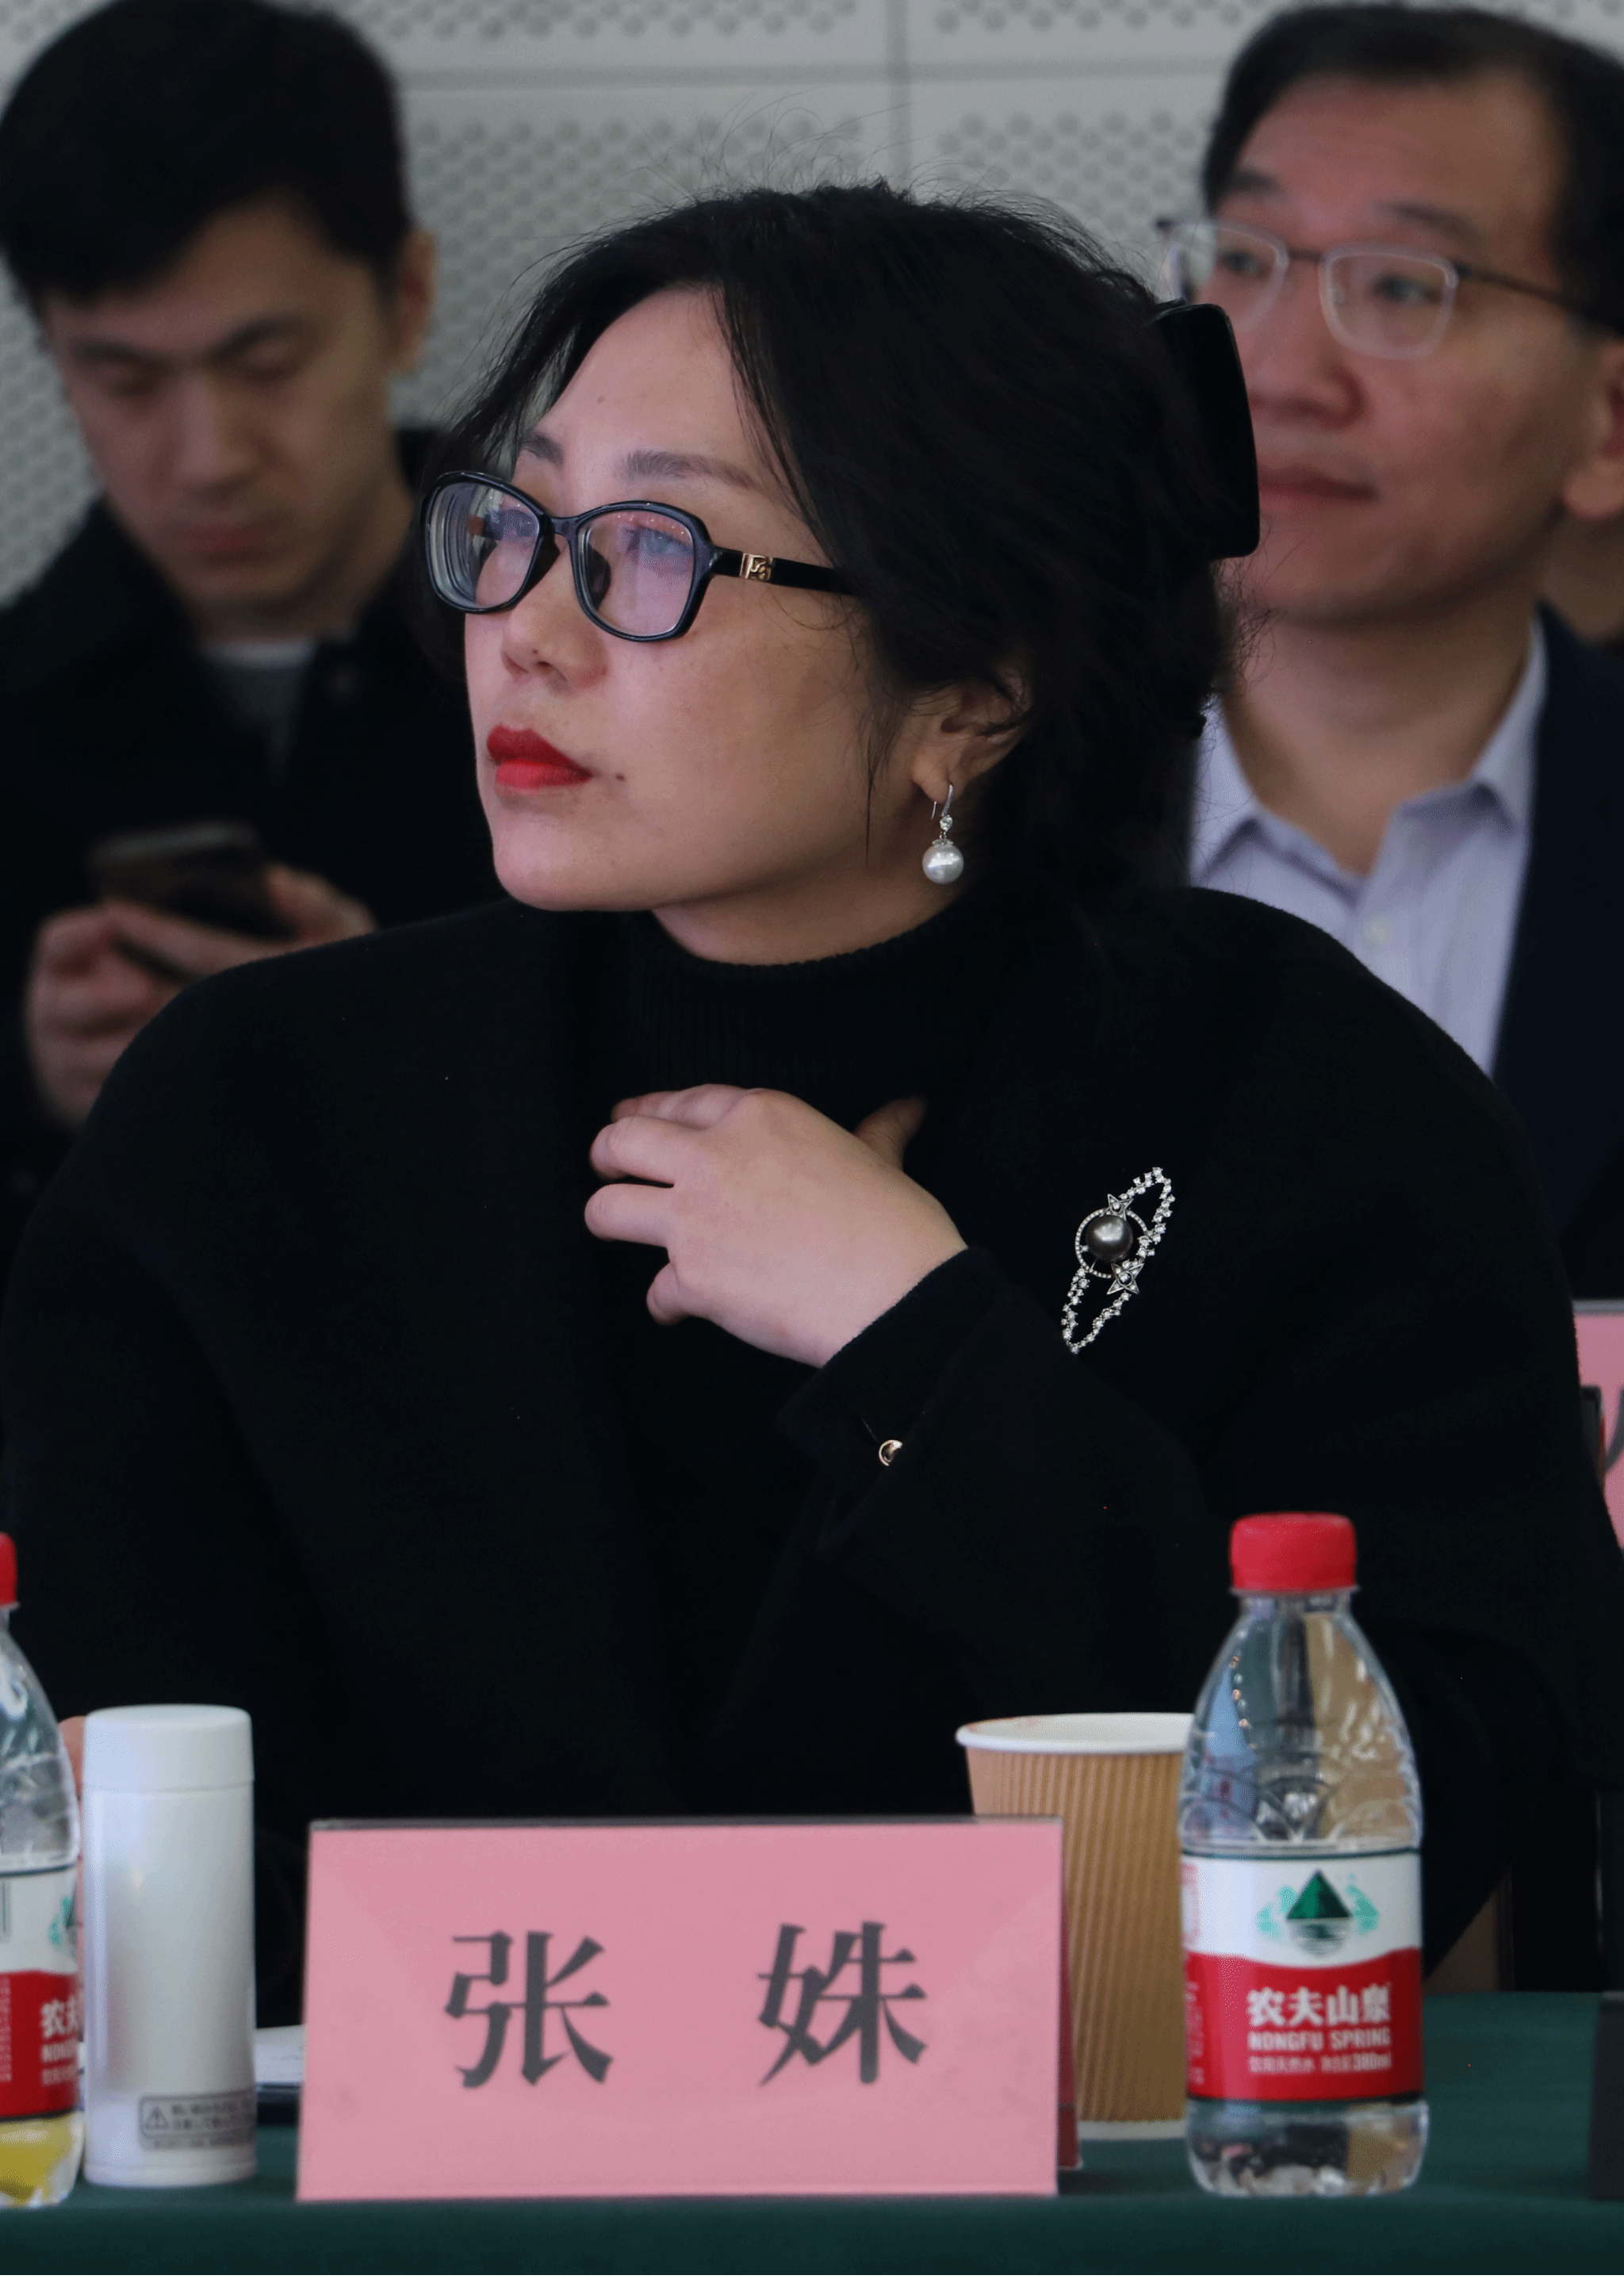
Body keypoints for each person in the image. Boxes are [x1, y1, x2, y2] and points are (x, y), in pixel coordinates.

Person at [3, 184, 1619, 2024]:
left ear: (973, 689)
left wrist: (921, 1350)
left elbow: (1418, 1824)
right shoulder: (254, 1110)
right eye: (514, 526)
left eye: (652, 552)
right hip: (399, 2153)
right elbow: (128, 1837)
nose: (526, 632)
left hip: (1101, 2158)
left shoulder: (1306, 1095)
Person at [0, 0, 497, 1286]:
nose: (210, 458)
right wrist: (33, 1082)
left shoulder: (596, 662)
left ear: (404, 301)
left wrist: (403, 1039)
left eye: (266, 362)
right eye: (125, 381)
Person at [1160, 2, 1624, 1298]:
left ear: (1609, 425)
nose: (1278, 371)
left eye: (1406, 286)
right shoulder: (976, 806)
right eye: (1245, 259)